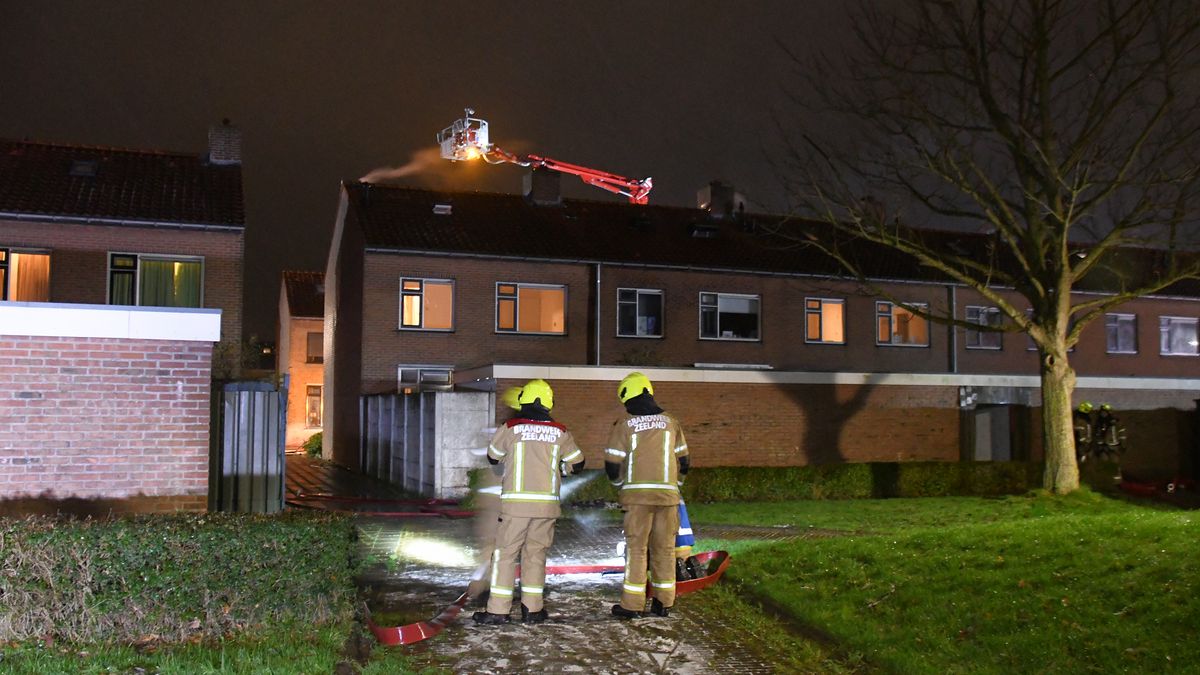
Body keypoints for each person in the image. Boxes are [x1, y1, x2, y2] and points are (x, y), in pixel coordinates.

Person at [473, 379, 585, 625]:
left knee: (505, 555)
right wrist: (561, 469)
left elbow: (493, 457)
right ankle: (533, 610)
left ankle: (498, 611)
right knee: (535, 555)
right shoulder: (560, 432)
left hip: (516, 507)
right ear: (548, 403)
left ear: (524, 401)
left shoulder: (511, 428)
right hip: (546, 508)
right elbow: (578, 463)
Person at [605, 372, 690, 619]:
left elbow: (612, 464)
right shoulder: (671, 423)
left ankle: (633, 605)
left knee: (637, 550)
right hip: (668, 499)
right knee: (664, 549)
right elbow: (685, 461)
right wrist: (676, 486)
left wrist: (620, 485)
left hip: (637, 500)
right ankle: (663, 603)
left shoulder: (624, 425)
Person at [467, 386, 521, 599]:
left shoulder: (497, 432)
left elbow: (477, 451)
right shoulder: (515, 434)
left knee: (492, 545)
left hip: (495, 499)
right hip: (509, 499)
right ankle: (483, 587)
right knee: (505, 546)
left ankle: (484, 586)